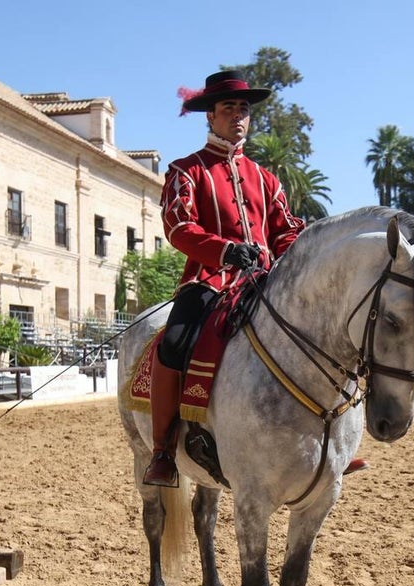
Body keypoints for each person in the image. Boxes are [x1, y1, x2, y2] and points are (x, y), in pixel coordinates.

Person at [142, 70, 306, 487]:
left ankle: (327, 445)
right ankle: (162, 450)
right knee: (173, 342)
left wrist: (298, 249)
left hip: (265, 282)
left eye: (244, 109)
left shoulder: (267, 179)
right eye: (228, 108)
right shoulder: (186, 171)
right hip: (208, 280)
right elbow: (179, 228)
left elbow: (285, 229)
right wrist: (226, 250)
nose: (238, 116)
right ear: (210, 117)